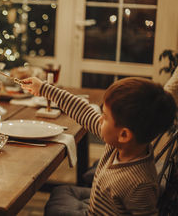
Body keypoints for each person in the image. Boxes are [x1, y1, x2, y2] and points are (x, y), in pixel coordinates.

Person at [21, 76, 177, 215]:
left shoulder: (140, 185)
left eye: (105, 116)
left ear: (124, 134)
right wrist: (44, 88)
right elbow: (83, 111)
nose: (99, 119)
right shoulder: (118, 144)